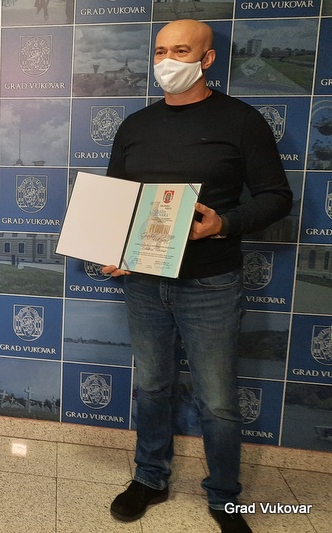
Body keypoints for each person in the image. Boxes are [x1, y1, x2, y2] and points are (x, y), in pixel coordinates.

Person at [103, 20, 292, 533]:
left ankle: (225, 497)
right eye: (160, 51)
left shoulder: (241, 121)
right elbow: (117, 202)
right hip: (145, 282)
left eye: (181, 50)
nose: (167, 61)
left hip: (211, 284)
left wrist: (222, 224)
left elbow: (277, 197)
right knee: (152, 386)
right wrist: (112, 249)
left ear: (206, 59)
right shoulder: (135, 126)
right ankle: (149, 478)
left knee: (218, 400)